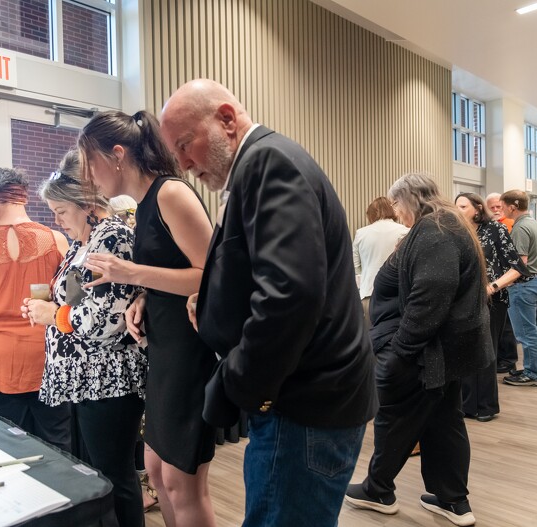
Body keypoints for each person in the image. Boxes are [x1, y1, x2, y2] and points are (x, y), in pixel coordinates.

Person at [158, 79, 377, 527]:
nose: (183, 164)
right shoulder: (262, 163)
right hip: (309, 399)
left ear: (226, 119)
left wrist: (236, 383)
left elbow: (290, 295)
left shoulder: (267, 162)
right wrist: (213, 300)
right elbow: (274, 276)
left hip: (303, 404)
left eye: (184, 144)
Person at [77, 109, 217, 527]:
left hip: (190, 354)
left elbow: (212, 276)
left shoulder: (170, 194)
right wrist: (143, 297)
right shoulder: (145, 204)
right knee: (156, 471)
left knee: (180, 481)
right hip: (165, 351)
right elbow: (171, 271)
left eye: (90, 162)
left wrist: (132, 275)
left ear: (117, 154)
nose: (89, 176)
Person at [345, 174, 491, 527]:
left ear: (408, 198)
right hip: (436, 351)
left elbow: (430, 299)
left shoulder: (435, 230)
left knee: (396, 418)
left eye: (396, 204)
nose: (395, 211)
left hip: (424, 352)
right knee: (442, 421)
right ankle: (452, 501)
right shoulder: (443, 225)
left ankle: (378, 490)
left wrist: (399, 352)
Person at [20, 151, 147, 527]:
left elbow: (106, 320)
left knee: (115, 477)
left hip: (107, 380)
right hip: (85, 379)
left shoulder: (113, 238)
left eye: (61, 212)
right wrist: (51, 308)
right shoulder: (85, 242)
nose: (56, 221)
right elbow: (78, 303)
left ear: (86, 204)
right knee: (99, 476)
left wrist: (53, 315)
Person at [0, 167, 71, 450]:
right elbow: (70, 296)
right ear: (22, 198)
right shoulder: (56, 239)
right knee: (58, 444)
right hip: (45, 353)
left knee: (9, 447)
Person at [455, 193, 529, 422]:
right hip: (463, 300)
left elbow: (517, 268)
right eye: (456, 206)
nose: (458, 211)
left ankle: (486, 406)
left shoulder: (495, 230)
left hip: (492, 301)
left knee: (486, 351)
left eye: (463, 206)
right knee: (466, 351)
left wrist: (492, 287)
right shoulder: (458, 232)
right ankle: (467, 405)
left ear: (478, 208)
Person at [500, 190, 537, 387]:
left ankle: (534, 373)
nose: (501, 210)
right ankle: (532, 368)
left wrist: (500, 284)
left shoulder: (520, 228)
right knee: (529, 331)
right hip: (536, 282)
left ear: (513, 207)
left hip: (524, 286)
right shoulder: (532, 223)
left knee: (526, 334)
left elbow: (520, 265)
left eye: (503, 206)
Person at [352, 197, 409, 327]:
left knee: (371, 334)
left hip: (368, 293)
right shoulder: (405, 231)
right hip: (397, 295)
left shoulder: (361, 233)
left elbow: (356, 267)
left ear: (371, 214)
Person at [487, 192, 519, 372]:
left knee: (506, 326)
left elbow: (516, 260)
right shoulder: (489, 227)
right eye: (492, 207)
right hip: (498, 284)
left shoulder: (508, 226)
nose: (496, 210)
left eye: (498, 206)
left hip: (505, 283)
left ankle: (508, 359)